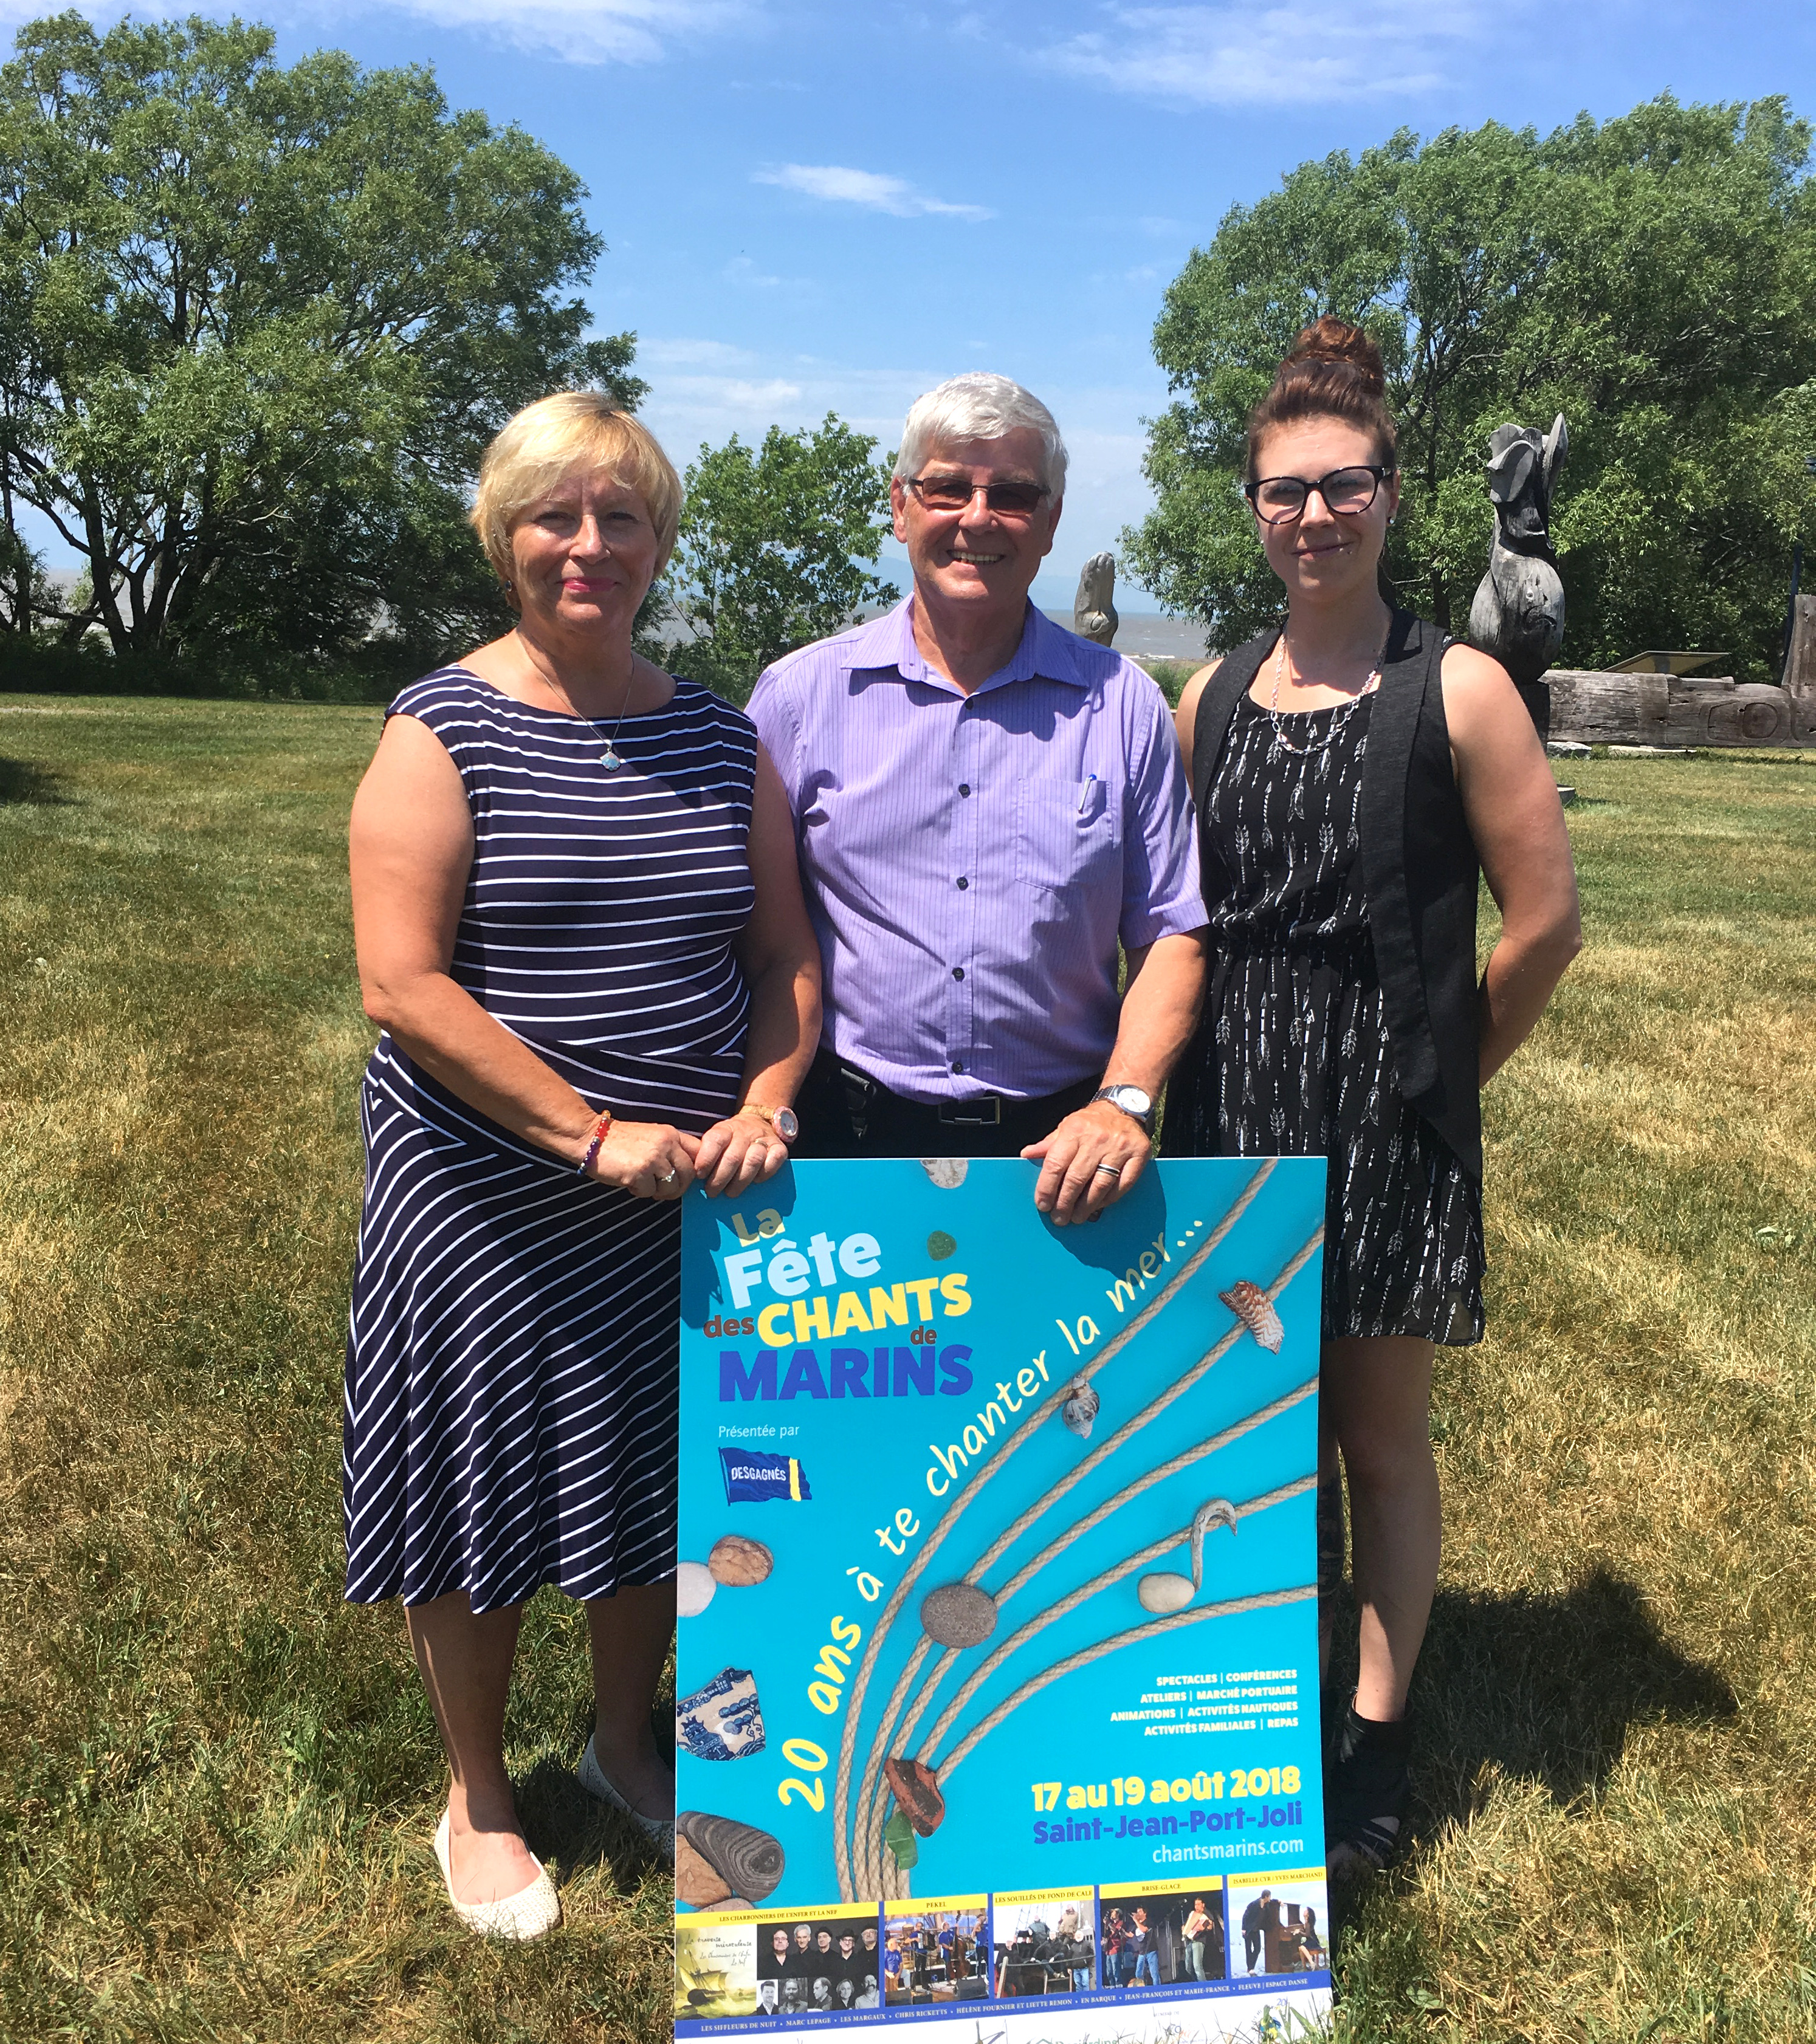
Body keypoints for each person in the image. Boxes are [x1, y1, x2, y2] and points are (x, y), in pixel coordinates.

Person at [343, 392, 822, 1939]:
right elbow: (402, 982)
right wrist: (585, 1131)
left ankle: (624, 1741)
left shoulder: (719, 735)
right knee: (474, 1486)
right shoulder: (442, 726)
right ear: (505, 537)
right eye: (556, 514)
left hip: (680, 1199)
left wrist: (768, 1097)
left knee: (650, 1477)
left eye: (622, 516)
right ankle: (478, 1795)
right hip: (482, 1196)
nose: (590, 544)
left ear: (657, 542)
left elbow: (781, 954)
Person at [1166, 319, 1581, 1878]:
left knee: (1375, 1439)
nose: (1314, 515)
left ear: (1391, 495)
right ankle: (1253, 1708)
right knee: (1244, 1434)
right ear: (1253, 510)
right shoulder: (1207, 693)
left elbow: (1544, 926)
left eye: (1343, 486)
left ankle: (1376, 1752)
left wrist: (1441, 1080)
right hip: (1228, 1111)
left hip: (1383, 1111)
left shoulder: (1459, 688)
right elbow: (1172, 919)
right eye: (1284, 491)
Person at [748, 373, 1206, 1221]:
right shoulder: (797, 700)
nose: (978, 517)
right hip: (846, 1139)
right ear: (900, 507)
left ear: (1052, 522)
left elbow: (1171, 933)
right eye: (948, 488)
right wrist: (758, 1104)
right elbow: (763, 939)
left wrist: (1125, 1100)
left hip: (1064, 1148)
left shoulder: (1125, 706)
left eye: (1014, 495)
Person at [1124, 1905, 1159, 1987]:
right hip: (1142, 1952)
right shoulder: (1137, 1925)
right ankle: (1141, 1989)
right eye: (1137, 1912)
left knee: (1154, 1973)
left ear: (1145, 1913)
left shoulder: (1149, 1921)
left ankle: (1157, 1989)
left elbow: (1144, 1930)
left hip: (1151, 1950)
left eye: (1140, 1912)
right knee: (1139, 1973)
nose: (1138, 1914)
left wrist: (1136, 1921)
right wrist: (1122, 1932)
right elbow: (1130, 1935)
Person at [1181, 1897, 1213, 1981]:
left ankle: (1203, 1985)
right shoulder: (1192, 1913)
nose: (1197, 1907)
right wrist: (1184, 1927)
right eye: (1196, 1905)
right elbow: (1188, 1923)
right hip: (1190, 1941)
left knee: (1197, 1966)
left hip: (1199, 1941)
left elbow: (1211, 1926)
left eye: (1199, 1904)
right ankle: (1194, 1983)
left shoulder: (1206, 1914)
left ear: (1203, 1905)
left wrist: (1203, 1929)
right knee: (1188, 1966)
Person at [1240, 1891, 1265, 1975]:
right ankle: (1250, 1968)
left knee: (1258, 1948)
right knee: (1248, 1949)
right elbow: (1245, 1916)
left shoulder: (1266, 1904)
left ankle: (1251, 1967)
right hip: (1248, 1930)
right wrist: (1243, 1929)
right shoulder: (1254, 1904)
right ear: (1266, 1897)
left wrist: (1279, 1901)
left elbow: (1273, 1902)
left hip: (1256, 1930)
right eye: (1269, 1897)